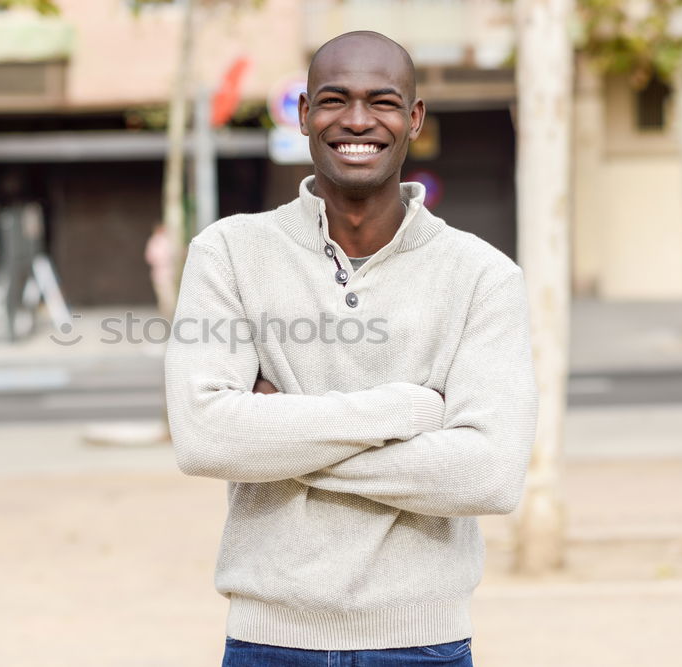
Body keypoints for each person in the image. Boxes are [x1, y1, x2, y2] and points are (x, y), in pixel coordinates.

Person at [164, 31, 538, 666]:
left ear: (414, 118)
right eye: (335, 100)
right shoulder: (227, 253)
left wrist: (280, 437)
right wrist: (403, 411)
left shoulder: (482, 276)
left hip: (423, 643)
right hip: (268, 642)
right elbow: (204, 437)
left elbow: (491, 474)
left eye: (383, 102)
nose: (358, 121)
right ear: (305, 113)